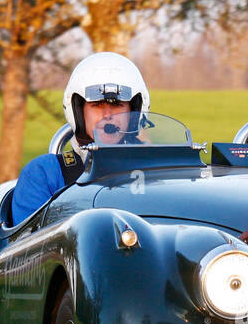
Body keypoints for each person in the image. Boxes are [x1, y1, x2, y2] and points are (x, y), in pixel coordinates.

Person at [9, 52, 151, 224]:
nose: (107, 115)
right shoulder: (44, 174)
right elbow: (28, 246)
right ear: (78, 111)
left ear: (134, 111)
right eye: (97, 105)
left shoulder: (157, 171)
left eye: (117, 105)